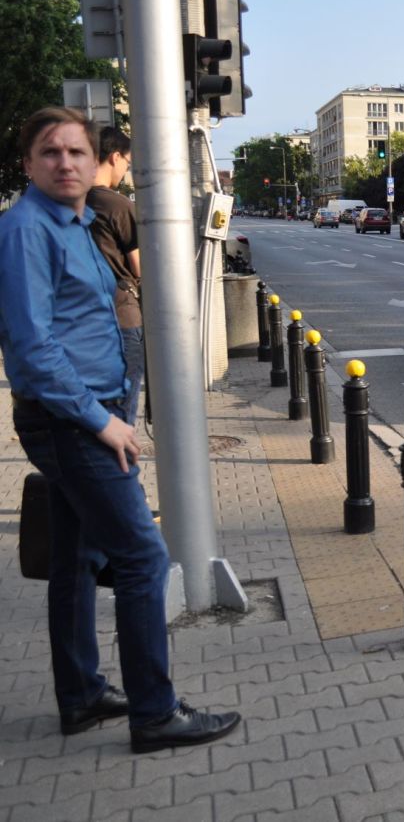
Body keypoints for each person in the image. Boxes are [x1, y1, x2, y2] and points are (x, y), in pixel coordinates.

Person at [0, 107, 241, 752]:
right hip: (72, 421)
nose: (66, 162)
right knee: (141, 558)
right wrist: (101, 420)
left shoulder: (77, 222)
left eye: (76, 151)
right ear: (28, 164)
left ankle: (80, 695)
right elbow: (30, 349)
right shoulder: (27, 229)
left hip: (89, 412)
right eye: (50, 152)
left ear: (92, 159)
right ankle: (154, 714)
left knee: (77, 559)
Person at [87, 126, 144, 425]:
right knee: (121, 413)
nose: (125, 170)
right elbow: (141, 268)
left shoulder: (69, 201)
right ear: (114, 156)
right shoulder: (118, 205)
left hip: (79, 321)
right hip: (122, 318)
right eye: (127, 163)